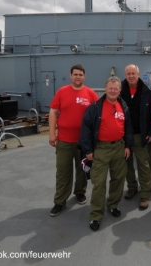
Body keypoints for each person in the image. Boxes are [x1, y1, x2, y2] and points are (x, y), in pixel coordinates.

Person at [79, 76, 133, 231]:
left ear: (120, 90)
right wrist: (88, 150)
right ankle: (96, 215)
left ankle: (113, 205)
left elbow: (128, 128)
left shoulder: (124, 106)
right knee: (99, 183)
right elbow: (86, 129)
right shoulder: (95, 107)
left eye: (116, 88)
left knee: (118, 179)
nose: (113, 90)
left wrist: (128, 146)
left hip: (119, 147)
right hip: (101, 149)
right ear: (105, 88)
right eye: (110, 88)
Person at [49, 64, 99, 217]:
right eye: (75, 74)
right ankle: (60, 201)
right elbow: (53, 112)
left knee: (82, 170)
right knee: (63, 171)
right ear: (71, 76)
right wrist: (52, 134)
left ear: (84, 76)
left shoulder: (90, 94)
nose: (78, 77)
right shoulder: (62, 92)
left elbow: (98, 116)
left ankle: (80, 192)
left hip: (83, 142)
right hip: (64, 140)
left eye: (81, 74)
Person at [121, 64, 151, 210]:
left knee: (143, 164)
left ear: (138, 74)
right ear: (125, 75)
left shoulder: (147, 92)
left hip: (140, 135)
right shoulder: (119, 90)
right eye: (128, 73)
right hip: (123, 135)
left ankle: (145, 193)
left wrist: (150, 133)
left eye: (133, 73)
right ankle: (132, 187)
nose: (131, 76)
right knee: (126, 164)